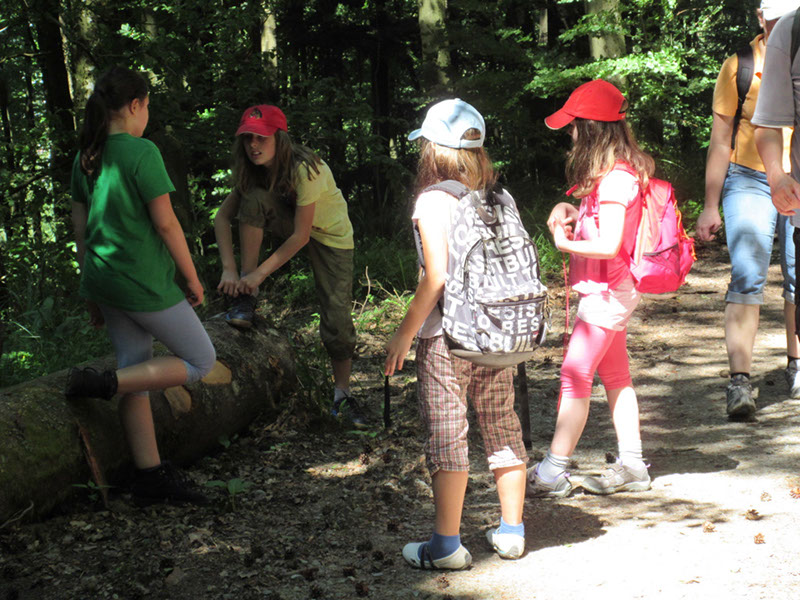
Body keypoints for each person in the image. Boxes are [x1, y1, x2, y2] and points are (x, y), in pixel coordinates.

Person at [385, 99, 528, 568]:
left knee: (449, 432)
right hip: (498, 335)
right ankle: (511, 532)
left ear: (432, 150)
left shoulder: (432, 200)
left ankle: (446, 545)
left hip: (448, 337)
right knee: (501, 422)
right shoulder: (499, 197)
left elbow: (436, 277)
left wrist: (404, 335)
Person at [65, 66, 216, 506]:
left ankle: (149, 475)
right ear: (135, 106)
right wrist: (192, 277)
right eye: (147, 105)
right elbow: (166, 224)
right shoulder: (142, 152)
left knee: (136, 371)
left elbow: (80, 231)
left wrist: (90, 290)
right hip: (143, 284)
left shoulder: (86, 156)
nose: (147, 114)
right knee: (201, 360)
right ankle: (105, 382)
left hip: (105, 281)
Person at [529, 80, 652, 497]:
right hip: (613, 290)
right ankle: (633, 466)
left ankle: (553, 471)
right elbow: (602, 222)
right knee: (615, 375)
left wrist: (564, 244)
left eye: (574, 125)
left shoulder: (616, 179)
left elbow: (610, 244)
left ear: (591, 128)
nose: (570, 133)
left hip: (607, 293)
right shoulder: (614, 173)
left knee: (574, 374)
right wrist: (571, 209)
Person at [213, 105, 366, 428]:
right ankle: (245, 297)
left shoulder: (306, 168)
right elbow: (222, 217)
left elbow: (301, 236)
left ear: (279, 138)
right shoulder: (252, 170)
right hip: (290, 220)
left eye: (262, 138)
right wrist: (231, 270)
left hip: (330, 235)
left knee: (337, 316)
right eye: (248, 138)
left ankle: (342, 395)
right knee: (253, 198)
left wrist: (261, 273)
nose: (254, 145)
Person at [696, 0, 800, 420]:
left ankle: (797, 366)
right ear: (760, 18)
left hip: (798, 177)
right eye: (775, 20)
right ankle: (739, 381)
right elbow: (721, 141)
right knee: (747, 273)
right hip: (749, 178)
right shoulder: (739, 66)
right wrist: (710, 205)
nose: (782, 27)